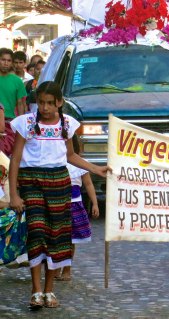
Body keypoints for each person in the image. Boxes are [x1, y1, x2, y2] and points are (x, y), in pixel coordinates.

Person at [8, 81, 110, 308]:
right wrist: (14, 194)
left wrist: (95, 169)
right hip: (31, 181)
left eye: (49, 104)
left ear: (59, 103)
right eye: (41, 103)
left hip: (59, 182)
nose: (44, 108)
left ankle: (50, 290)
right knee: (36, 231)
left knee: (57, 234)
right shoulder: (26, 123)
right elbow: (15, 159)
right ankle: (35, 290)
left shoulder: (67, 125)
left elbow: (71, 156)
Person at [54, 143, 100, 281]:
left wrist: (95, 204)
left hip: (74, 205)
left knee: (71, 240)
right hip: (57, 204)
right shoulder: (55, 162)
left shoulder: (81, 165)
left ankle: (67, 269)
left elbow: (88, 184)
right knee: (56, 238)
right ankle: (55, 267)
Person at [0, 48, 27, 156]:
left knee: (7, 157)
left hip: (10, 124)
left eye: (9, 60)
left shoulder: (17, 81)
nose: (6, 63)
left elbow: (21, 104)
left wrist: (21, 124)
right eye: (3, 60)